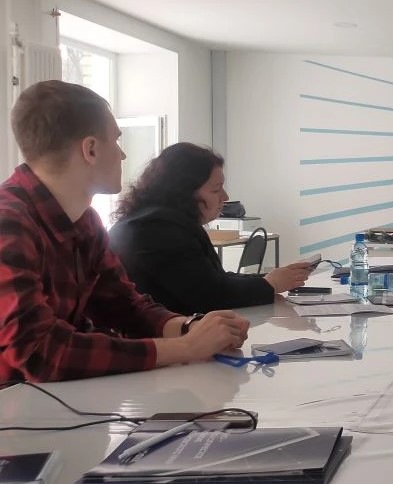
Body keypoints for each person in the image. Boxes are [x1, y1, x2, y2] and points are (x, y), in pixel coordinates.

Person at [0, 80, 250, 383]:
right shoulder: (8, 223)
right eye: (116, 141)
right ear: (91, 149)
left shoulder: (86, 221)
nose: (122, 155)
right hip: (14, 404)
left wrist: (188, 327)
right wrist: (185, 348)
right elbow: (40, 353)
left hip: (55, 399)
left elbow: (123, 305)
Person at [109, 143, 313, 315]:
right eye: (216, 189)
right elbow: (211, 295)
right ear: (184, 192)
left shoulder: (158, 221)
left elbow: (214, 279)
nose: (225, 197)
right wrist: (270, 285)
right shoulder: (157, 229)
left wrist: (270, 278)